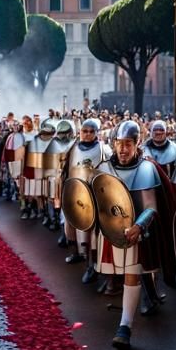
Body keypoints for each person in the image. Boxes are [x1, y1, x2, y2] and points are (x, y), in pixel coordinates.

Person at [93, 120, 176, 350]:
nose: (122, 149)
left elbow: (151, 206)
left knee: (132, 274)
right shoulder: (104, 168)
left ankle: (125, 327)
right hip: (111, 229)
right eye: (119, 144)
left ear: (136, 144)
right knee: (117, 274)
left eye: (127, 144)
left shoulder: (146, 169)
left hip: (135, 230)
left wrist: (139, 227)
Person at [62, 118, 109, 284]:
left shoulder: (105, 149)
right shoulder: (73, 148)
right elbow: (66, 171)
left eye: (91, 131)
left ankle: (95, 266)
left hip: (97, 196)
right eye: (85, 131)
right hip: (78, 196)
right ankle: (86, 261)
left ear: (97, 133)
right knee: (81, 231)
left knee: (96, 235)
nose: (88, 135)